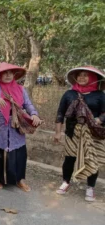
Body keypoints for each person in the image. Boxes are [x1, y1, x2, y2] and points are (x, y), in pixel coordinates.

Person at [0, 62, 42, 192]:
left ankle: (19, 179)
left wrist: (34, 114)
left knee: (18, 152)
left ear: (14, 75)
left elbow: (28, 104)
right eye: (4, 73)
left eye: (10, 73)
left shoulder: (20, 89)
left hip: (16, 125)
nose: (7, 75)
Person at [54, 66, 105, 202]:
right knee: (69, 158)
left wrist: (99, 120)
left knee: (91, 159)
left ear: (93, 78)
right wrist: (58, 132)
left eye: (85, 75)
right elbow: (60, 113)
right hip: (72, 132)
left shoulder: (100, 95)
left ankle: (90, 187)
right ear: (75, 78)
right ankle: (66, 182)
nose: (82, 78)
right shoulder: (69, 94)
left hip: (92, 132)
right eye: (79, 75)